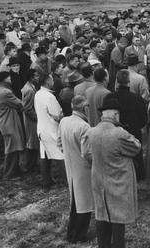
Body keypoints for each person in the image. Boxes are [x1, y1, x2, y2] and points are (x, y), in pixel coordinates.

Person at [82, 95, 141, 248]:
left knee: (101, 217)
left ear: (103, 114)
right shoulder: (119, 134)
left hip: (98, 181)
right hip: (118, 181)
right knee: (118, 219)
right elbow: (136, 147)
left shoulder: (91, 132)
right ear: (116, 115)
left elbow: (86, 154)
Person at [57, 95, 93, 243]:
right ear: (84, 108)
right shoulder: (84, 127)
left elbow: (59, 143)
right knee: (84, 204)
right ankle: (79, 235)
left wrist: (69, 154)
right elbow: (88, 153)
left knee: (75, 203)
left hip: (70, 167)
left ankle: (71, 234)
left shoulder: (64, 121)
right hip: (83, 169)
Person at [108, 69, 148, 180]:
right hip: (133, 130)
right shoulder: (136, 98)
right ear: (128, 81)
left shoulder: (110, 97)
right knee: (135, 154)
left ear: (117, 81)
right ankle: (138, 175)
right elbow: (144, 117)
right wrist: (136, 126)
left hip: (114, 131)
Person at [0, 71, 25, 179]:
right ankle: (9, 174)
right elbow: (19, 103)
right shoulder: (5, 92)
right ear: (4, 80)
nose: (10, 79)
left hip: (6, 122)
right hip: (9, 123)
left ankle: (14, 171)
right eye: (8, 78)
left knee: (13, 147)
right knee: (11, 149)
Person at [34, 74, 64, 188]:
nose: (53, 81)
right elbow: (56, 115)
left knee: (45, 156)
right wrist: (62, 116)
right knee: (60, 155)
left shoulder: (38, 94)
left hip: (41, 128)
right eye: (51, 79)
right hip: (51, 129)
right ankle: (67, 180)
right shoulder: (49, 96)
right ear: (47, 82)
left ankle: (46, 181)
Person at [21, 68, 40, 172]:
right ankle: (28, 164)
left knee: (33, 141)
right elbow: (27, 108)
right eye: (36, 76)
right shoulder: (29, 90)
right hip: (31, 120)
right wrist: (38, 118)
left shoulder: (30, 87)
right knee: (31, 142)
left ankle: (32, 163)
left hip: (31, 118)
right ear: (31, 78)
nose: (38, 77)